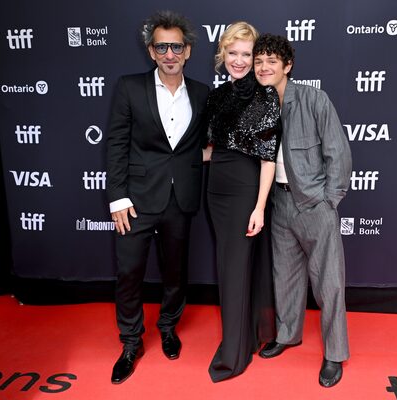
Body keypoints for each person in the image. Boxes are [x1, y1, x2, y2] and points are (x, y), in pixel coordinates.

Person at [105, 10, 209, 384]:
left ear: (188, 51)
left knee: (175, 271)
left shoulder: (202, 93)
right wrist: (118, 197)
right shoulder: (129, 87)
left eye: (176, 47)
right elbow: (116, 144)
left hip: (180, 198)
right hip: (135, 200)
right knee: (129, 272)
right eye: (162, 47)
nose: (169, 54)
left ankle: (168, 327)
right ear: (151, 52)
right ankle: (131, 342)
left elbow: (196, 144)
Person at [253, 34, 352, 388]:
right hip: (279, 203)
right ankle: (287, 334)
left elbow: (338, 153)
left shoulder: (313, 99)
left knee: (329, 282)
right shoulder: (258, 105)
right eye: (258, 61)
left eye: (271, 61)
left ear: (287, 65)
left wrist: (329, 201)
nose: (263, 67)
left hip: (314, 204)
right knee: (285, 275)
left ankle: (335, 353)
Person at [205, 22, 280, 382]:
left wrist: (259, 207)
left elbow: (268, 158)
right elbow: (211, 150)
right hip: (215, 190)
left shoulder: (265, 96)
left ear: (255, 57)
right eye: (232, 53)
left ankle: (232, 355)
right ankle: (246, 337)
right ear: (223, 54)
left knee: (233, 273)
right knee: (230, 269)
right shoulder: (217, 96)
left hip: (244, 192)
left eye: (246, 54)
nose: (239, 60)